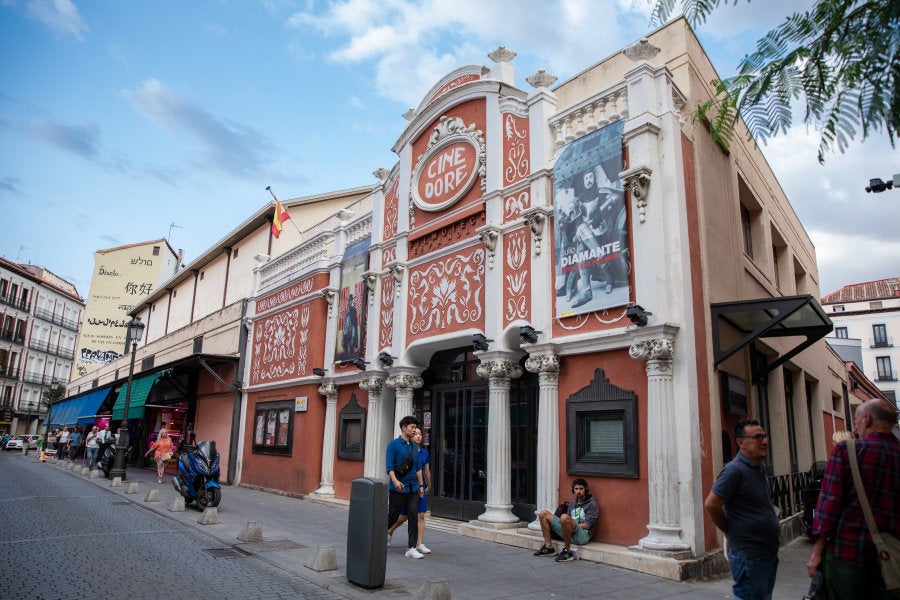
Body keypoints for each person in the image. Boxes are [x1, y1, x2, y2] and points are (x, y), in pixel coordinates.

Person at [806, 399, 900, 599]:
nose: (855, 429)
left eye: (856, 423)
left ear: (867, 419)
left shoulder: (847, 451)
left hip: (848, 556)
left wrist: (816, 551)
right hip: (894, 560)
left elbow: (829, 505)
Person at [705, 419, 780, 600]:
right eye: (757, 437)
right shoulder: (734, 471)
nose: (764, 441)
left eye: (764, 436)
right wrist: (727, 530)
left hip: (767, 551)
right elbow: (711, 504)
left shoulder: (759, 468)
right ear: (740, 442)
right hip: (749, 554)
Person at [386, 415, 425, 559]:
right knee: (393, 515)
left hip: (413, 488)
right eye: (412, 427)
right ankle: (378, 535)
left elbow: (418, 468)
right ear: (404, 428)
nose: (415, 430)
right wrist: (395, 481)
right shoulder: (393, 445)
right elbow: (390, 466)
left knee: (413, 515)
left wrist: (420, 485)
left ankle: (411, 547)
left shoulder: (415, 447)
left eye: (415, 427)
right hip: (398, 488)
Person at [533, 477, 599, 562]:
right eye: (576, 489)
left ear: (585, 489)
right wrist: (566, 526)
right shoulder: (572, 503)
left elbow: (587, 525)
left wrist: (569, 526)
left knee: (564, 517)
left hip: (582, 535)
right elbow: (566, 521)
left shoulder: (592, 504)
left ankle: (567, 551)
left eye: (581, 489)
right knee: (543, 513)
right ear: (573, 490)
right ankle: (549, 547)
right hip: (569, 531)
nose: (578, 491)